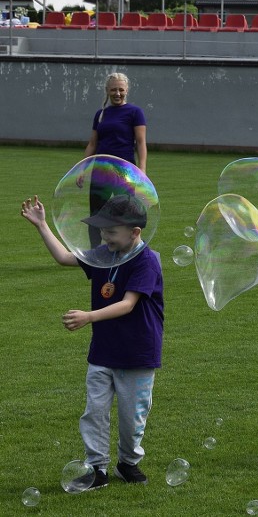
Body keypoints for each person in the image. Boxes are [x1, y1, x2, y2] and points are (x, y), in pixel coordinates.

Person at [20, 193, 165, 489]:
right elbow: (64, 258)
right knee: (94, 411)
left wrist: (89, 316)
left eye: (111, 231)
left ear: (134, 232)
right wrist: (41, 225)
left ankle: (128, 463)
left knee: (132, 415)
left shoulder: (146, 261)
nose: (104, 236)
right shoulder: (104, 254)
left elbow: (127, 304)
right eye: (102, 230)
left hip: (137, 353)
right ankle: (97, 468)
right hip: (103, 351)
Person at [81, 72, 148, 247]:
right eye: (113, 90)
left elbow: (141, 143)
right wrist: (82, 168)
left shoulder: (135, 112)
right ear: (107, 91)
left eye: (121, 90)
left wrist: (141, 170)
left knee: (125, 213)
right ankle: (95, 253)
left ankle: (127, 250)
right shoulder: (100, 114)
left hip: (125, 170)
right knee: (97, 214)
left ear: (127, 90)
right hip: (101, 171)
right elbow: (92, 143)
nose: (117, 93)